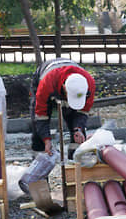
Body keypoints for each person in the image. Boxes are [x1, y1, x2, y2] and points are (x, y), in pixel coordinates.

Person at [20, 58, 95, 191]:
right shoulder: (47, 82)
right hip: (45, 80)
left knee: (79, 135)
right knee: (38, 134)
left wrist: (78, 129)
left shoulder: (89, 84)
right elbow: (40, 115)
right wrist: (46, 139)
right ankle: (39, 182)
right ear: (65, 88)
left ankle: (75, 180)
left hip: (61, 85)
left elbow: (82, 111)